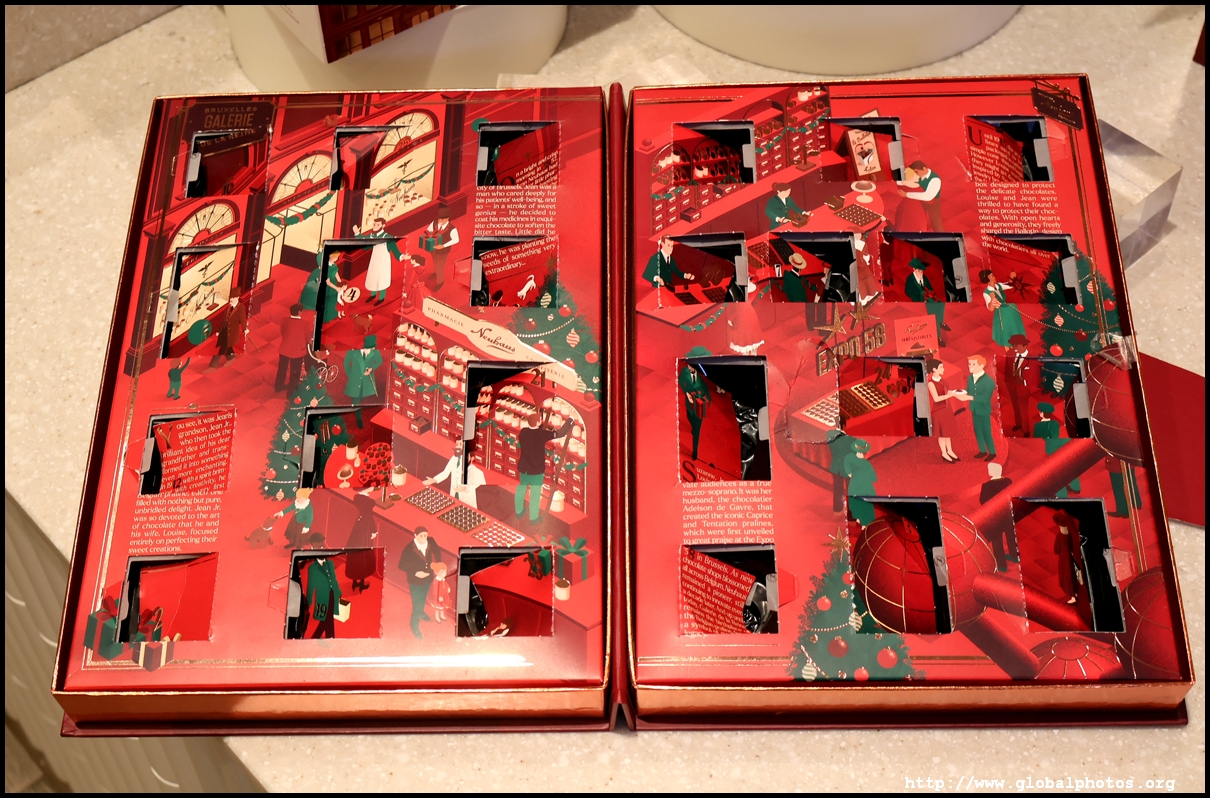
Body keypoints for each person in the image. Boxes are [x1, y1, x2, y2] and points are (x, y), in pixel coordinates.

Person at [515, 410, 573, 523]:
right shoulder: (542, 434)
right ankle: (533, 518)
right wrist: (570, 420)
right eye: (540, 420)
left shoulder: (523, 432)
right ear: (538, 423)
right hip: (536, 469)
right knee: (535, 493)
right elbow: (561, 433)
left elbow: (532, 435)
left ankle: (518, 512)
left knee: (522, 489)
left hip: (524, 468)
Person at [952, 354, 997, 461]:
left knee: (986, 431)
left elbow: (985, 398)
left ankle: (992, 452)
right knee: (977, 430)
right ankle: (982, 451)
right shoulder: (971, 378)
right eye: (969, 364)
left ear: (981, 366)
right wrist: (960, 393)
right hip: (974, 409)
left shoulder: (989, 382)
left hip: (984, 410)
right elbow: (969, 390)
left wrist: (969, 397)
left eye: (973, 364)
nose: (970, 366)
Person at [398, 526, 441, 638]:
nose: (423, 538)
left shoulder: (430, 541)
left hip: (428, 578)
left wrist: (438, 564)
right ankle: (414, 626)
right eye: (421, 536)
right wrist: (416, 572)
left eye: (425, 535)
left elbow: (437, 551)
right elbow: (401, 565)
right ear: (415, 535)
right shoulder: (409, 548)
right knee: (417, 603)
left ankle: (421, 612)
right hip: (415, 580)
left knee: (423, 596)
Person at [1032, 401, 1081, 497]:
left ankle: (1062, 494)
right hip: (1063, 444)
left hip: (1052, 448)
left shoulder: (1038, 426)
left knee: (1057, 472)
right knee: (1069, 467)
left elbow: (1037, 438)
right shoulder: (1055, 423)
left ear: (1041, 414)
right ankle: (1076, 488)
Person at [353, 216, 403, 304]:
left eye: (378, 225)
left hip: (384, 261)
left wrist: (401, 256)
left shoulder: (387, 237)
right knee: (373, 277)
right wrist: (357, 233)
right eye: (374, 224)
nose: (375, 226)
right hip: (375, 260)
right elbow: (364, 243)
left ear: (383, 226)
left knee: (381, 279)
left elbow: (395, 250)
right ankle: (373, 295)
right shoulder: (372, 236)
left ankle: (381, 298)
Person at [979, 462, 1016, 570]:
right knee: (1011, 536)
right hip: (1008, 512)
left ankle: (1001, 564)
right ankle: (1015, 556)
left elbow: (983, 500)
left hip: (995, 515)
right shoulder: (1008, 481)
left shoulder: (986, 486)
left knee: (997, 541)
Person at [305, 535, 342, 639]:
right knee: (326, 618)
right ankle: (328, 637)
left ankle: (327, 636)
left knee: (328, 617)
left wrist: (338, 591)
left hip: (332, 595)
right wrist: (308, 602)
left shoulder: (330, 563)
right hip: (322, 597)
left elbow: (333, 579)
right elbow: (311, 586)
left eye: (322, 545)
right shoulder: (313, 567)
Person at [679, 348, 713, 462]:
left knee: (697, 430)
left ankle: (695, 451)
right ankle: (694, 429)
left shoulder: (701, 376)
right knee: (691, 421)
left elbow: (707, 391)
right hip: (690, 406)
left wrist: (707, 403)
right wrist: (687, 393)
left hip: (699, 409)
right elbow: (681, 382)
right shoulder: (684, 372)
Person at [980, 269, 1027, 349]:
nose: (994, 277)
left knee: (1014, 329)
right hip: (1001, 313)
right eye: (992, 276)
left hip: (1009, 310)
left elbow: (1009, 285)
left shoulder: (998, 286)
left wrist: (1013, 277)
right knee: (1006, 334)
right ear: (988, 278)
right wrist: (992, 298)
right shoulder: (986, 292)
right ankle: (1009, 352)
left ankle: (1017, 348)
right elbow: (990, 308)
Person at [343, 335, 383, 428]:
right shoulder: (353, 352)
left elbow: (379, 360)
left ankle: (362, 397)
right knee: (355, 399)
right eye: (371, 348)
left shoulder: (374, 351)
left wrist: (372, 368)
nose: (373, 350)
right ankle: (358, 418)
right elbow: (346, 363)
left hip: (366, 381)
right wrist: (350, 375)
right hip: (355, 380)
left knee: (363, 393)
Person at [904, 257, 950, 337]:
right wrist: (919, 297)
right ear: (914, 269)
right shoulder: (910, 279)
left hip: (928, 298)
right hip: (918, 301)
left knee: (940, 303)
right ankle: (938, 334)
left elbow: (930, 288)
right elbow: (907, 291)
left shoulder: (924, 278)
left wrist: (930, 294)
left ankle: (940, 321)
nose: (921, 272)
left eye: (921, 271)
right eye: (919, 271)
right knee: (933, 312)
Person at [925, 359, 960, 463]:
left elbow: (946, 391)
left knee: (947, 431)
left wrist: (955, 392)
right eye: (941, 367)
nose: (943, 369)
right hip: (938, 410)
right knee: (941, 433)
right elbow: (936, 399)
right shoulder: (931, 383)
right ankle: (944, 453)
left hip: (946, 408)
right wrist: (951, 395)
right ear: (934, 369)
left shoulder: (941, 379)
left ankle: (950, 450)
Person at [345, 487, 379, 593]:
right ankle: (361, 582)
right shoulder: (366, 501)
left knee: (356, 553)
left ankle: (355, 581)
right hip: (365, 528)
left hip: (359, 527)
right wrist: (374, 530)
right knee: (364, 555)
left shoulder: (358, 498)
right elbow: (369, 517)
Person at [300, 250, 346, 325]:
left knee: (333, 300)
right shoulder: (325, 268)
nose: (337, 258)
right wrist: (337, 288)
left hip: (333, 282)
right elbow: (328, 282)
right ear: (331, 258)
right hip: (325, 284)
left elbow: (336, 274)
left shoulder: (334, 265)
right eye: (336, 257)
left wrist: (340, 283)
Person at [897, 160, 943, 232]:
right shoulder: (918, 176)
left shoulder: (935, 179)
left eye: (916, 172)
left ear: (924, 169)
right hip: (920, 202)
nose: (916, 174)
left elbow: (928, 196)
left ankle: (941, 236)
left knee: (936, 221)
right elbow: (900, 181)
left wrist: (907, 194)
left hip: (933, 203)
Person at [422, 206, 459, 290]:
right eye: (439, 219)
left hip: (443, 251)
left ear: (447, 219)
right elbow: (428, 230)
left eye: (442, 219)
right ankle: (436, 273)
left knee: (440, 266)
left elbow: (456, 240)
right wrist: (428, 236)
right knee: (435, 261)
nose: (440, 221)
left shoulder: (452, 229)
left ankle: (440, 281)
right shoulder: (434, 223)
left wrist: (443, 246)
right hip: (433, 248)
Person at [843, 438, 878, 527]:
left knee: (856, 503)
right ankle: (864, 523)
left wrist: (850, 474)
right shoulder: (866, 464)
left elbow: (847, 465)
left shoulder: (849, 458)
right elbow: (873, 478)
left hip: (854, 486)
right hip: (865, 487)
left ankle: (858, 519)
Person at [275, 304, 310, 392]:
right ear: (299, 312)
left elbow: (283, 332)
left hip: (284, 348)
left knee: (282, 368)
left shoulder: (284, 320)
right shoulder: (305, 323)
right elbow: (308, 338)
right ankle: (292, 391)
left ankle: (278, 386)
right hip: (298, 351)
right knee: (295, 371)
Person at [1053, 511, 1084, 605]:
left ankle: (1073, 597)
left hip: (1064, 560)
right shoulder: (1070, 534)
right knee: (1074, 576)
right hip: (1072, 558)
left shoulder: (1060, 537)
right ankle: (1076, 594)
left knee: (1067, 578)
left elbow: (1056, 550)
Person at [1002, 334, 1031, 432]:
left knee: (1023, 409)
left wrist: (1026, 384)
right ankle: (1018, 424)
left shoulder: (1031, 357)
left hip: (1023, 387)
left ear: (1024, 345)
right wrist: (1007, 382)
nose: (1014, 348)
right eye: (1013, 345)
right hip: (1012, 386)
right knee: (1016, 407)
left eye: (1016, 345)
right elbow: (1007, 369)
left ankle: (1026, 430)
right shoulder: (1010, 353)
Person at [209, 295, 246, 368]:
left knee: (222, 349)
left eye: (233, 298)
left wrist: (245, 329)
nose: (231, 299)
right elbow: (224, 321)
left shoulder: (240, 308)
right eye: (230, 298)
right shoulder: (228, 308)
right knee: (225, 345)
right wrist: (219, 331)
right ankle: (231, 358)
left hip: (232, 332)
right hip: (224, 330)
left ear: (237, 297)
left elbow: (243, 319)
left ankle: (213, 366)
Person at [826, 429, 853, 512]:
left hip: (836, 467)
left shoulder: (830, 435)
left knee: (838, 488)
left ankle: (838, 508)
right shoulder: (849, 440)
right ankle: (852, 510)